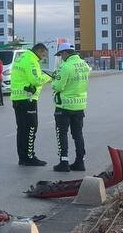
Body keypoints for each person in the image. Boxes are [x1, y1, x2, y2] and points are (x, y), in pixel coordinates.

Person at [51, 40, 92, 172]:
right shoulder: (84, 65)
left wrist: (54, 79)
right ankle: (80, 162)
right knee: (78, 134)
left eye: (60, 55)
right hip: (79, 106)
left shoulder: (65, 66)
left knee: (62, 134)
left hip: (64, 106)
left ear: (65, 53)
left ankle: (64, 162)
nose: (60, 57)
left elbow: (58, 86)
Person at [10, 43, 52, 166]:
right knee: (31, 127)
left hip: (18, 97)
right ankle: (29, 157)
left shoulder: (22, 57)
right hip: (27, 99)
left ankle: (22, 157)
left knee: (22, 129)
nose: (43, 58)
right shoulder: (31, 60)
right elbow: (36, 80)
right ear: (39, 51)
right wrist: (48, 77)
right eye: (43, 55)